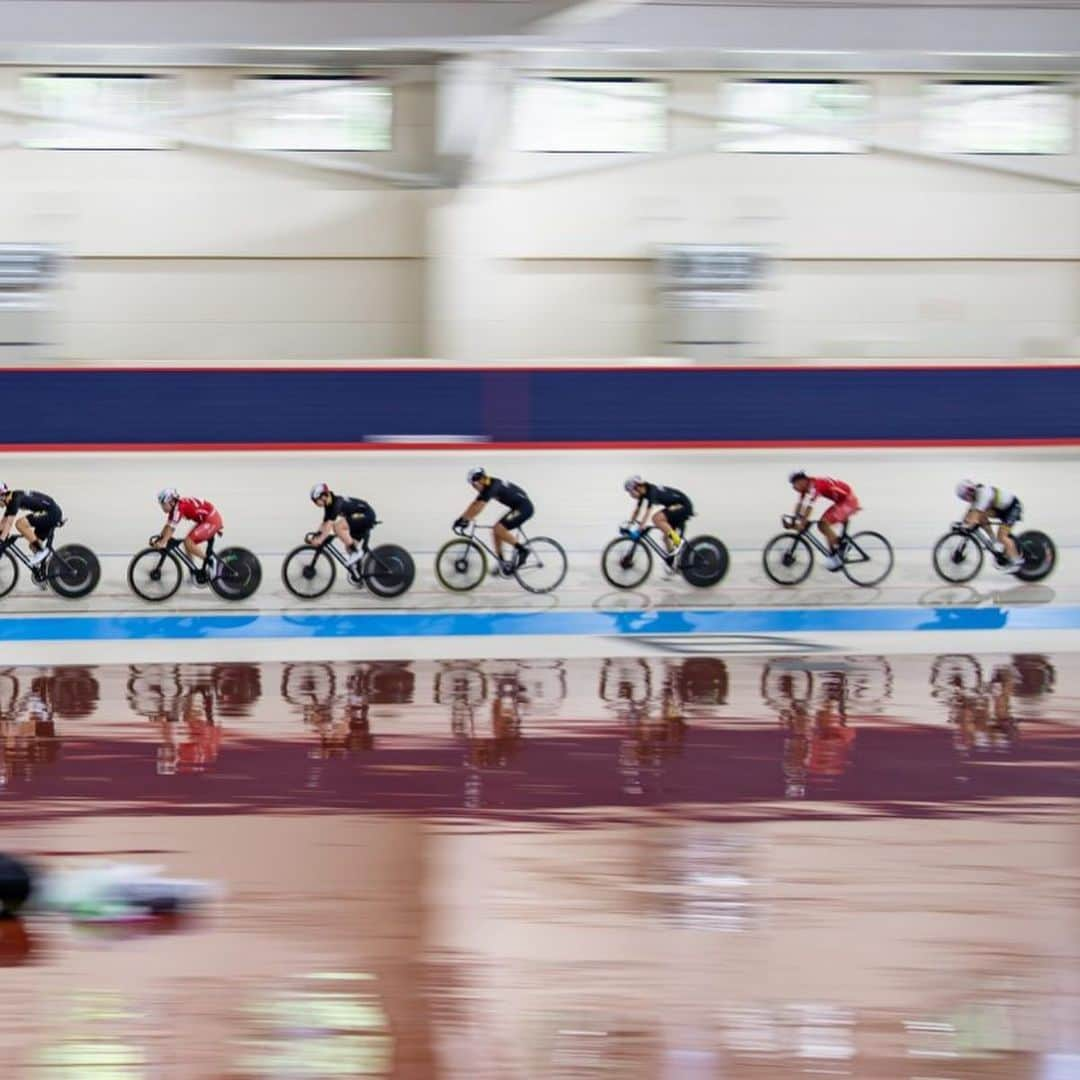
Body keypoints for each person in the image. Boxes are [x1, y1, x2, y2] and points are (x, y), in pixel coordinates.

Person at [454, 467, 533, 573]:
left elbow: (479, 506)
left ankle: (523, 550)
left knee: (498, 528)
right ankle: (502, 563)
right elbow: (474, 504)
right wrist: (461, 519)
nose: (474, 488)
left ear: (478, 481)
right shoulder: (488, 484)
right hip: (519, 507)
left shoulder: (492, 486)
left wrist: (466, 519)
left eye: (473, 485)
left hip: (524, 508)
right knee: (495, 531)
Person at [788, 471, 860, 571]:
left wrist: (802, 523)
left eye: (795, 484)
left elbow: (809, 507)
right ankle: (835, 556)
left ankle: (844, 546)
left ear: (802, 481)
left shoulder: (814, 485)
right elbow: (799, 505)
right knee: (823, 527)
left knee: (823, 524)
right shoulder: (805, 488)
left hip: (849, 501)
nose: (794, 487)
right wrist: (793, 520)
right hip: (841, 501)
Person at [955, 479, 1024, 573]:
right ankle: (993, 541)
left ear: (970, 490)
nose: (966, 499)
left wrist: (965, 525)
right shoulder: (976, 496)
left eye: (965, 496)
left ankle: (1017, 562)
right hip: (1003, 509)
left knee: (1002, 536)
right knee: (980, 516)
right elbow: (969, 514)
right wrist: (961, 524)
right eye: (963, 498)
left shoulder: (983, 493)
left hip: (1013, 507)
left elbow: (974, 518)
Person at [623, 476, 693, 569]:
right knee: (665, 537)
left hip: (683, 505)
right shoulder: (644, 494)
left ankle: (678, 542)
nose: (630, 495)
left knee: (656, 518)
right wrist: (629, 524)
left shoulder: (651, 491)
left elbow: (649, 510)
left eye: (630, 491)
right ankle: (674, 561)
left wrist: (642, 525)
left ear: (638, 487)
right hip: (676, 506)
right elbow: (637, 510)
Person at [153, 488, 223, 577]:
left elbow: (171, 529)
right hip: (206, 519)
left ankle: (211, 562)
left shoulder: (178, 509)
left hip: (211, 520)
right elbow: (168, 526)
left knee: (188, 542)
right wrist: (160, 538)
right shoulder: (175, 508)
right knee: (187, 544)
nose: (162, 507)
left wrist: (162, 542)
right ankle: (193, 571)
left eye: (163, 504)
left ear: (171, 501)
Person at [308, 483, 375, 568]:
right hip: (358, 517)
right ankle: (360, 574)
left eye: (315, 500)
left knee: (338, 526)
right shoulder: (329, 505)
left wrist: (320, 540)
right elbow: (324, 523)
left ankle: (356, 552)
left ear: (323, 496)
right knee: (348, 547)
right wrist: (316, 535)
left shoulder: (337, 503)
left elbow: (329, 525)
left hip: (367, 515)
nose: (315, 503)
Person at [0, 484, 63, 568]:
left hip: (51, 513)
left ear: (2, 496)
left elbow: (9, 523)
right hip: (49, 512)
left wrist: (1, 541)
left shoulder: (15, 499)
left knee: (20, 523)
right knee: (33, 546)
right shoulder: (12, 499)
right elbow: (4, 521)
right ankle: (48, 569)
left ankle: (41, 551)